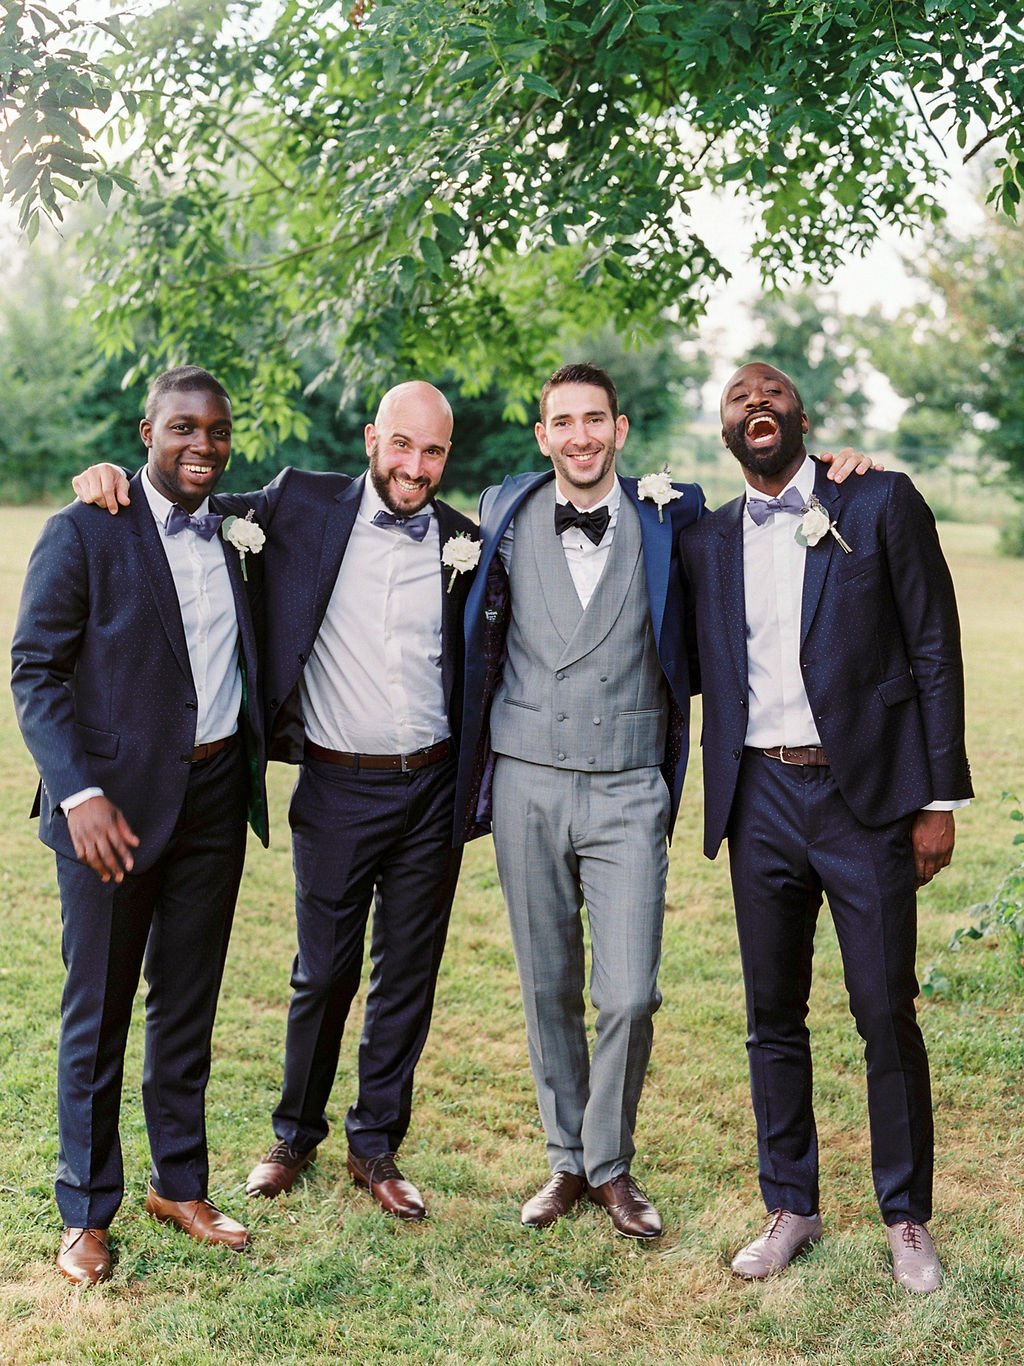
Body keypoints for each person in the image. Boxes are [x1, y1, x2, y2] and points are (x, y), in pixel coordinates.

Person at [72, 382, 478, 1222]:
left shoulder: (465, 540)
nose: (415, 465)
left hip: (432, 784)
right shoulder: (297, 504)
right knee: (321, 971)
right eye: (402, 445)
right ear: (373, 439)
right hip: (334, 782)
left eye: (433, 451)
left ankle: (377, 1145)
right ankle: (294, 1134)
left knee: (408, 972)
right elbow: (188, 491)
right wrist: (106, 472)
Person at [679, 361, 971, 1293]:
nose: (755, 405)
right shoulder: (707, 539)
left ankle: (906, 1216)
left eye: (770, 393)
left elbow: (933, 642)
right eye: (738, 398)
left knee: (884, 1010)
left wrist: (938, 799)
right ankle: (791, 1205)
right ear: (724, 429)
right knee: (773, 1016)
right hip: (758, 797)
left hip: (867, 798)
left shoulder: (877, 501)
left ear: (800, 414)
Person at [11, 367, 268, 1285]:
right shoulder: (85, 529)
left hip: (212, 801)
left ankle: (180, 1184)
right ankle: (85, 1210)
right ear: (147, 432)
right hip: (108, 814)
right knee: (99, 1012)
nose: (202, 444)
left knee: (187, 1004)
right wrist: (76, 794)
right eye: (183, 429)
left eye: (218, 430)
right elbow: (34, 668)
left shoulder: (243, 526)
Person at [454, 362, 703, 1238]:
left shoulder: (675, 516)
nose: (581, 437)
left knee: (630, 991)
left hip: (630, 784)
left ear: (621, 429)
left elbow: (772, 513)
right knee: (547, 981)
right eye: (564, 422)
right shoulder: (499, 512)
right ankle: (569, 1162)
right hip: (524, 778)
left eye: (595, 420)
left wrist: (843, 471)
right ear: (542, 436)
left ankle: (613, 1163)